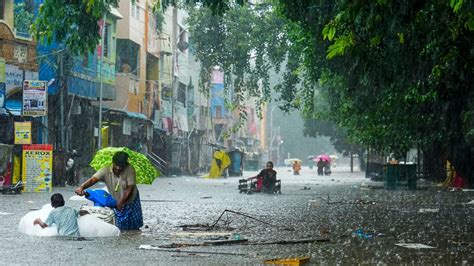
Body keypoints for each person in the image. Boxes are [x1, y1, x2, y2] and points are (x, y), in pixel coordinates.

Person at [75, 151, 143, 231]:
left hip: (130, 198)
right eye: (117, 165)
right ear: (113, 162)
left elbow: (129, 188)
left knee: (134, 225)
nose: (118, 168)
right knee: (119, 224)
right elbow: (92, 180)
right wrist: (81, 187)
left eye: (121, 166)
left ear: (125, 165)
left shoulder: (130, 169)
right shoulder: (105, 170)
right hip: (116, 198)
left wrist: (121, 202)